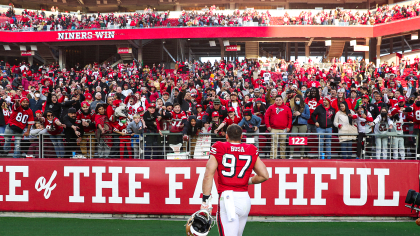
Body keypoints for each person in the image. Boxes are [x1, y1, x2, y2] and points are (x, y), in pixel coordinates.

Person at [201, 124, 269, 236]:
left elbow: (208, 175)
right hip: (245, 200)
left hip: (228, 199)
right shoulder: (251, 149)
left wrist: (205, 201)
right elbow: (264, 175)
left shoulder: (219, 147)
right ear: (241, 136)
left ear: (226, 136)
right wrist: (248, 180)